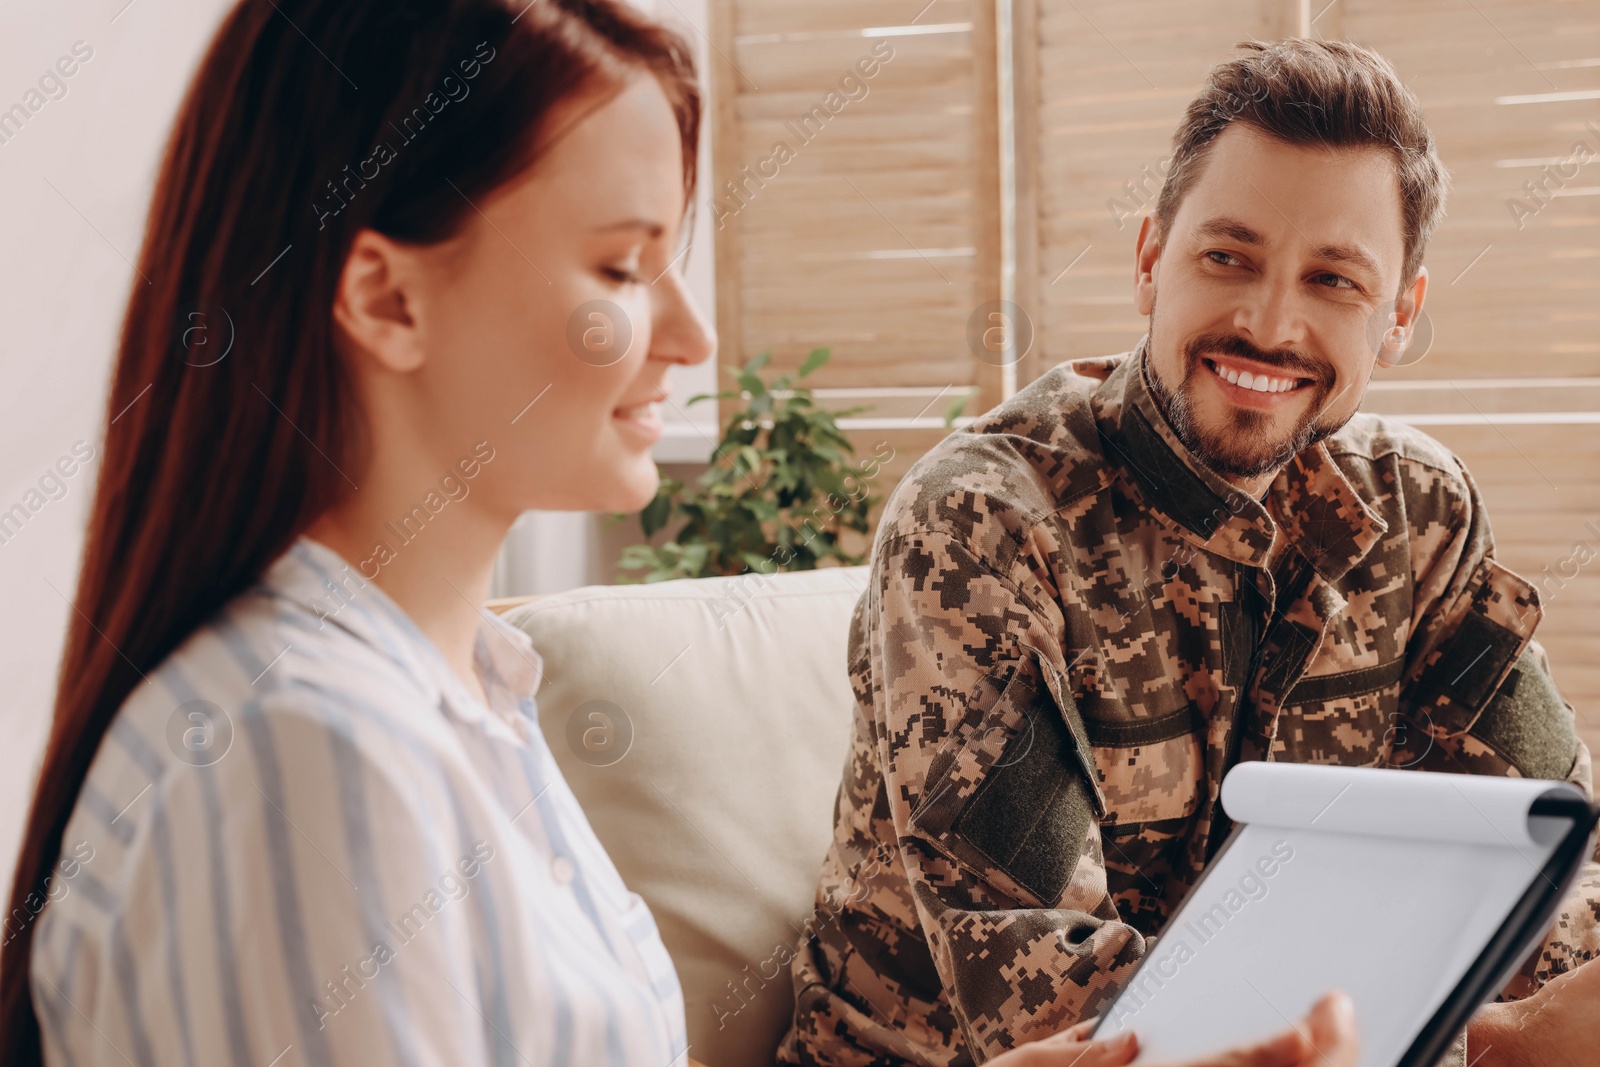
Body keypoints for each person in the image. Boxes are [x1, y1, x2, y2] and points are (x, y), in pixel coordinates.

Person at [0, 2, 1365, 1065]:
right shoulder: (302, 753)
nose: (693, 339)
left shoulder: (462, 704)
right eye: (620, 267)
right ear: (387, 298)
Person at [779, 36, 1600, 1067]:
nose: (1268, 320)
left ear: (1398, 317)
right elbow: (1053, 1003)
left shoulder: (1419, 512)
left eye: (1334, 279)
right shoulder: (982, 523)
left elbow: (1551, 852)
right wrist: (1488, 1038)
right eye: (1228, 256)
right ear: (1147, 259)